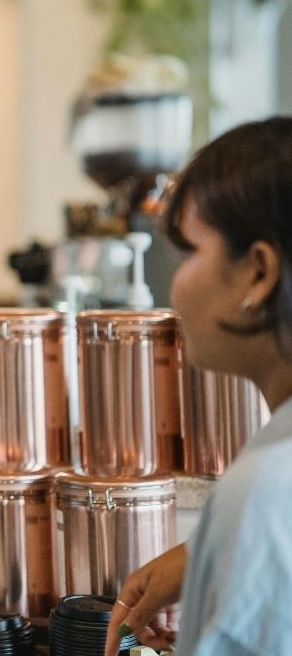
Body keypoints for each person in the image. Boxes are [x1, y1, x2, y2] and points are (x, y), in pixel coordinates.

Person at [104, 116, 292, 656]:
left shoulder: (260, 493)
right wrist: (208, 553)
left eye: (189, 253)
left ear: (259, 273)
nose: (174, 284)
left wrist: (234, 537)